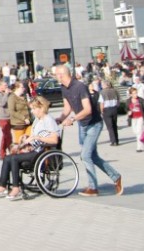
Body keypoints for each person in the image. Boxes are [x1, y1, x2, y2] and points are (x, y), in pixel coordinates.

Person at [55, 64, 122, 197]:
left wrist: (72, 119)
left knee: (85, 156)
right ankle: (116, 177)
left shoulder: (80, 87)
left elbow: (88, 109)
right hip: (83, 125)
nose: (56, 76)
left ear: (62, 75)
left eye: (56, 74)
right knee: (92, 156)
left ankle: (93, 187)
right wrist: (59, 119)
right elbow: (67, 107)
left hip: (94, 124)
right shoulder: (64, 88)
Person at [0, 96, 60, 200]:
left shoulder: (48, 120)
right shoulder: (37, 120)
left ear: (41, 108)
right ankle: (2, 186)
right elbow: (34, 137)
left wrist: (38, 137)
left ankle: (16, 188)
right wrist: (27, 138)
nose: (32, 111)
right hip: (34, 149)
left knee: (14, 158)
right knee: (7, 158)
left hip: (41, 152)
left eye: (34, 109)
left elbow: (55, 140)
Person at [126, 86, 144, 152]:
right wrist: (128, 112)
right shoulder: (128, 101)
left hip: (140, 117)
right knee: (135, 131)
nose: (135, 95)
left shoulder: (141, 100)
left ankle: (139, 147)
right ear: (130, 94)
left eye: (136, 93)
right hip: (133, 118)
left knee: (139, 132)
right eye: (133, 93)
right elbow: (127, 109)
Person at [100, 81, 121, 146]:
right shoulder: (115, 91)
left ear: (105, 85)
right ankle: (117, 140)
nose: (102, 86)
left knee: (110, 126)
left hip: (106, 110)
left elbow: (102, 103)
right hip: (114, 109)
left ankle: (113, 141)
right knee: (114, 125)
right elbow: (118, 101)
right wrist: (116, 107)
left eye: (102, 84)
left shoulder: (102, 92)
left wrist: (101, 111)